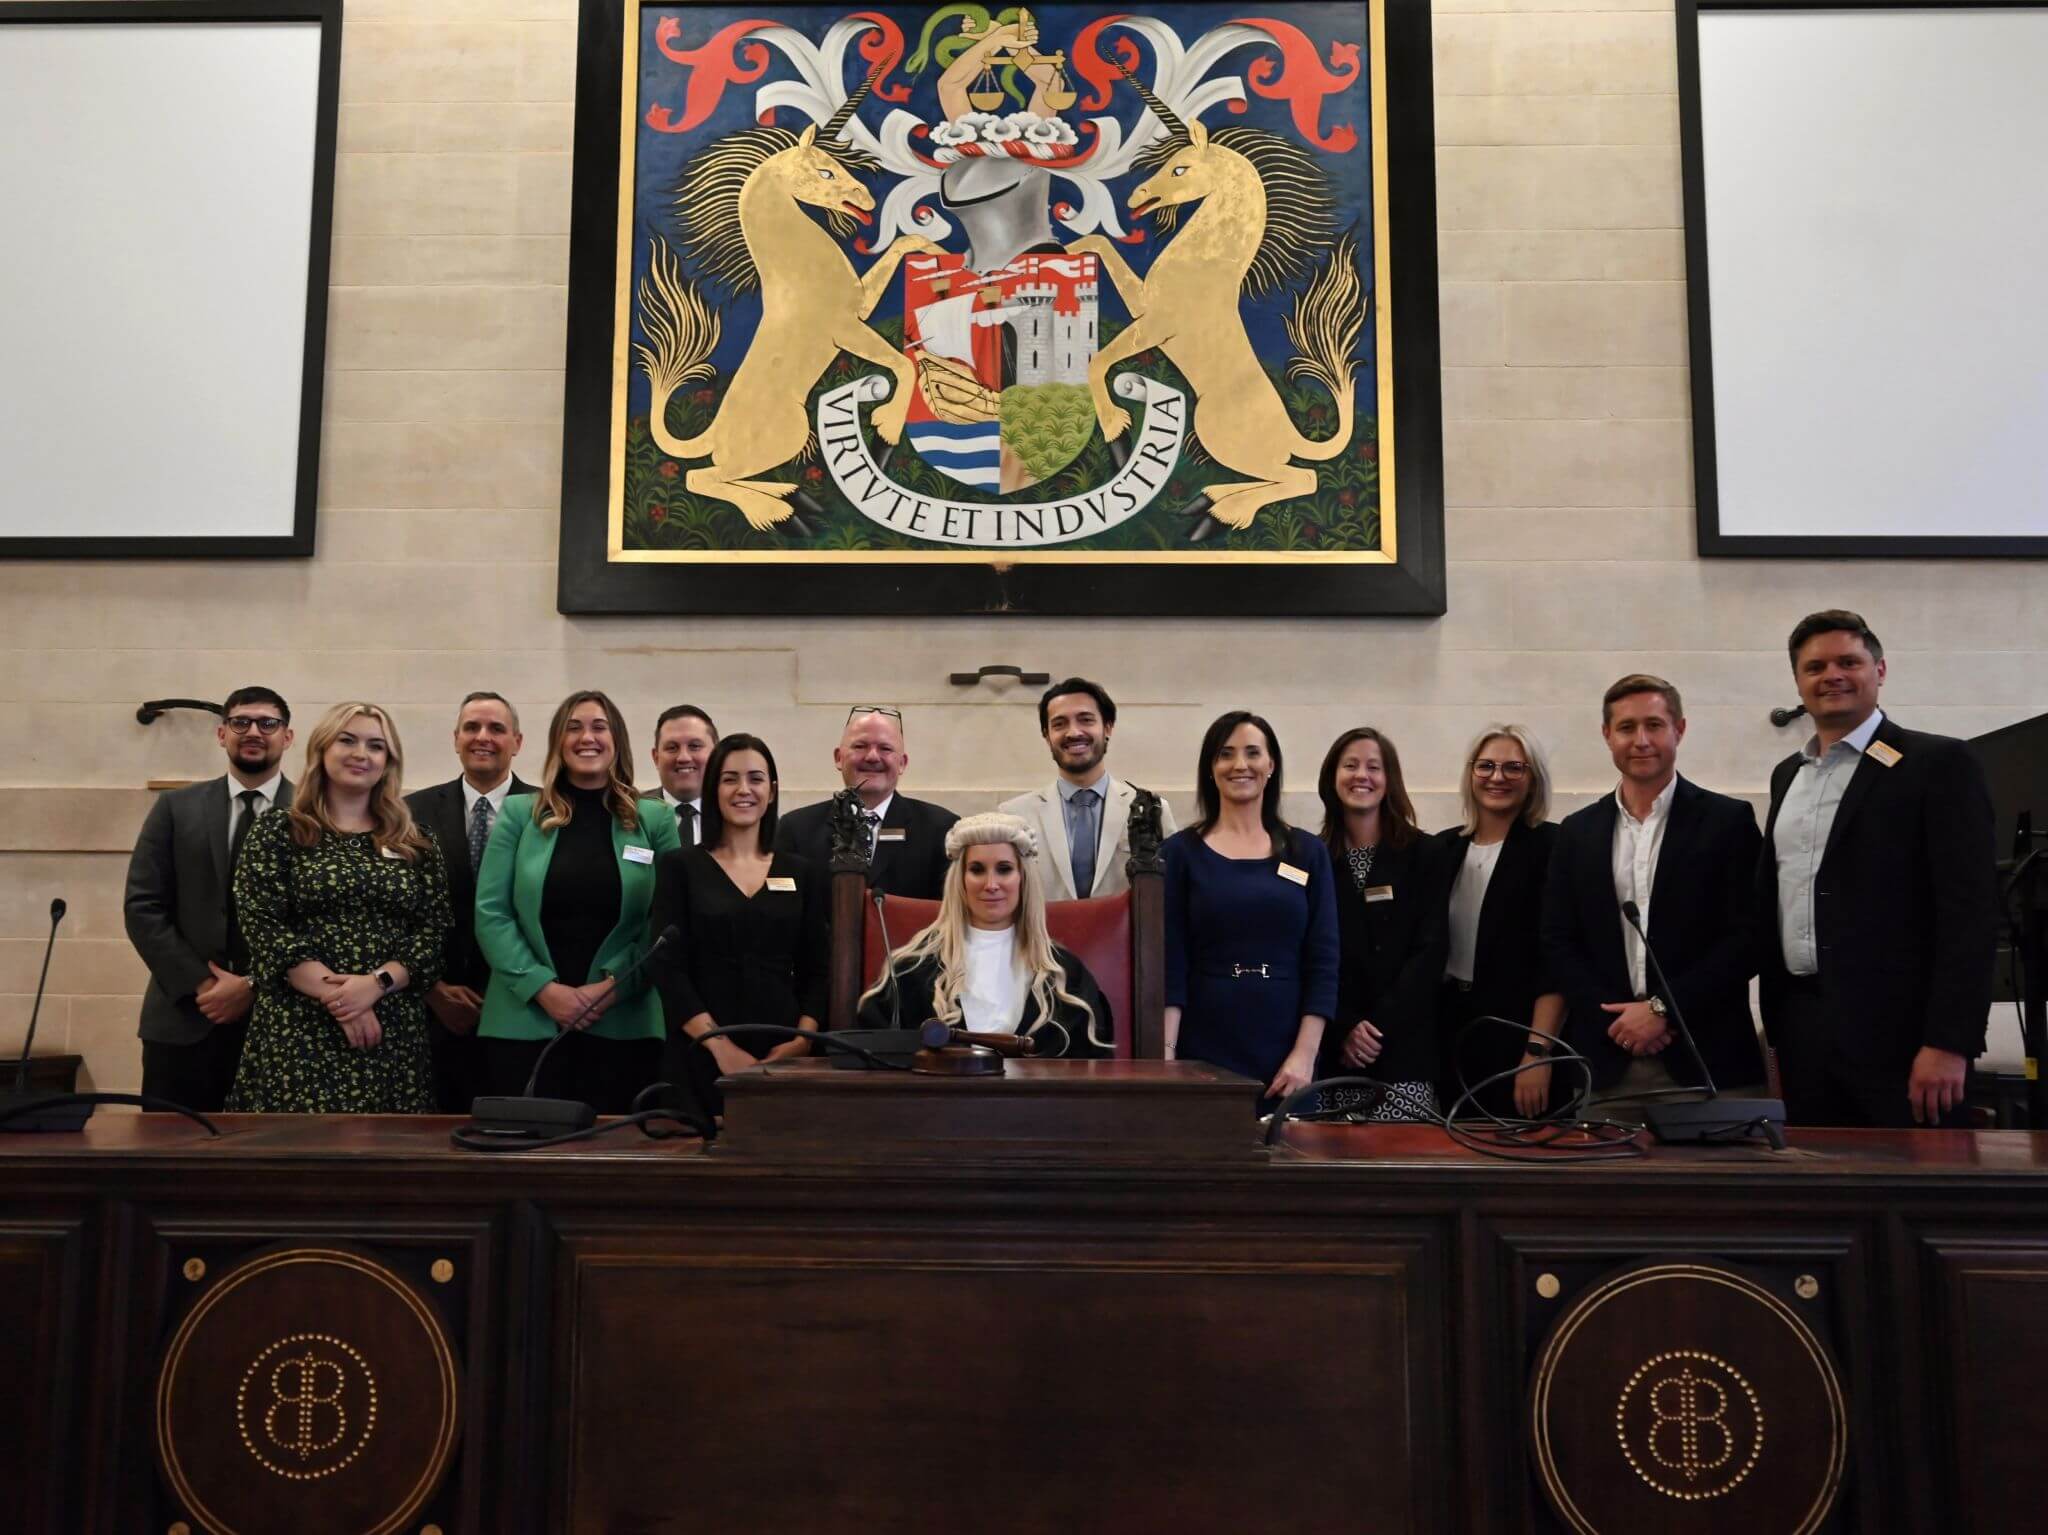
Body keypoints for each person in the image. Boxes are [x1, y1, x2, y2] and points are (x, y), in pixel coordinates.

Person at [1757, 610, 1997, 1127]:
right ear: (1798, 681)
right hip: (1804, 1029)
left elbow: (1970, 913)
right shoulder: (1787, 776)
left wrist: (1949, 1042)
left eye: (1849, 661)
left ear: (1880, 671)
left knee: (1919, 1197)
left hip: (1905, 1040)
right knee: (1823, 1193)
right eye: (1815, 667)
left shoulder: (1937, 764)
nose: (1832, 676)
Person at [1542, 676, 1766, 1122]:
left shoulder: (1728, 822)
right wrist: (1620, 1022)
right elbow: (1558, 941)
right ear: (1607, 735)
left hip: (1709, 1063)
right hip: (1606, 1063)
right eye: (1626, 728)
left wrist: (1664, 1010)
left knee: (1721, 1192)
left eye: (1654, 725)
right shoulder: (1577, 832)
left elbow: (1749, 939)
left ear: (1679, 729)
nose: (1641, 741)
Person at [226, 703, 451, 1113]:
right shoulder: (279, 830)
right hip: (299, 1029)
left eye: (376, 745)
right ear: (322, 750)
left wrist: (376, 985)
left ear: (388, 762)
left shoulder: (416, 841)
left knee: (391, 1161)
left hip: (392, 1029)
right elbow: (263, 927)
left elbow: (434, 933)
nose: (361, 754)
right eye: (347, 740)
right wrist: (344, 1000)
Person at [474, 691, 682, 1115]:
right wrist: (543, 989)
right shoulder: (518, 815)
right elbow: (491, 913)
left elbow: (664, 923)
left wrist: (610, 988)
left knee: (618, 1162)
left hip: (623, 1024)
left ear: (617, 741)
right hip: (523, 1022)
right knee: (525, 1162)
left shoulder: (654, 819)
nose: (587, 737)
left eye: (599, 727)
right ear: (557, 742)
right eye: (574, 727)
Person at [123, 686, 295, 1111]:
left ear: (287, 737)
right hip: (184, 1018)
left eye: (268, 723)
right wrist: (203, 984)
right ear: (222, 734)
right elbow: (143, 907)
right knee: (171, 1163)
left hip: (283, 1024)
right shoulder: (176, 809)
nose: (254, 731)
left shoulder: (314, 813)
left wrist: (253, 985)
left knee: (271, 1165)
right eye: (241, 722)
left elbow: (323, 922)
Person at [1163, 712, 1337, 1108]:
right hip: (1204, 1045)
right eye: (1226, 754)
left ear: (1271, 765)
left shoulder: (1307, 853)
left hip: (1288, 1052)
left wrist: (1305, 1056)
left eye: (1252, 753)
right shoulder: (1177, 854)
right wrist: (1166, 1059)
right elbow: (1170, 964)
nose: (1240, 765)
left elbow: (1324, 961)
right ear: (1211, 768)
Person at [651, 734, 829, 1117]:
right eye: (730, 778)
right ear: (713, 788)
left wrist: (801, 1041)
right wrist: (719, 1047)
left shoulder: (802, 871)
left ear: (773, 789)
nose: (743, 790)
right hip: (699, 1052)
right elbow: (668, 969)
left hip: (784, 1053)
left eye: (756, 778)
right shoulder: (679, 867)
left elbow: (819, 968)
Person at [858, 811, 1113, 1056]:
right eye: (977, 870)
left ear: (1023, 878)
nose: (991, 885)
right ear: (961, 879)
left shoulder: (1066, 976)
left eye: (1004, 869)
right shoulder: (909, 970)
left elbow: (1092, 1070)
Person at [404, 691, 535, 1113]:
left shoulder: (548, 811)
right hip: (432, 1011)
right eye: (472, 727)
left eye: (496, 728)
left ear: (517, 741)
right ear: (455, 738)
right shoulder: (410, 812)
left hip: (524, 1007)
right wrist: (431, 988)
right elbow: (395, 911)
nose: (483, 737)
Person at [1313, 728, 1449, 1120]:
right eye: (1350, 765)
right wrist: (1345, 1027)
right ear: (1331, 777)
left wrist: (1374, 1028)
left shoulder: (1426, 853)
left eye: (1374, 767)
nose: (1362, 776)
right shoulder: (1314, 858)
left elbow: (1431, 950)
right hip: (1336, 1053)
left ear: (1390, 780)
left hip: (1402, 1051)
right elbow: (1312, 955)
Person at [1434, 725, 1565, 1119]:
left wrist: (1537, 1054)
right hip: (1451, 1026)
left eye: (1513, 767)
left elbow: (1557, 961)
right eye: (1486, 766)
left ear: (1533, 778)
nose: (1497, 777)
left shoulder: (1554, 847)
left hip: (1520, 1031)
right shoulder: (1443, 848)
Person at [999, 677, 1177, 903]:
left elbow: (1170, 893)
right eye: (1059, 724)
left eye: (1085, 720)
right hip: (1042, 937)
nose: (1073, 732)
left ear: (1108, 727)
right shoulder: (1014, 816)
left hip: (1125, 938)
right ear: (1047, 736)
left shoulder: (1151, 809)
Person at [773, 706, 957, 898]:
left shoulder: (941, 830)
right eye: (860, 746)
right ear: (838, 758)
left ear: (902, 763)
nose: (872, 757)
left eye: (885, 748)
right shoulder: (796, 830)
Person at [647, 704, 719, 846]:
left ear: (716, 754)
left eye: (695, 746)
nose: (683, 757)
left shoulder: (735, 816)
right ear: (656, 757)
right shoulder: (630, 814)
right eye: (672, 748)